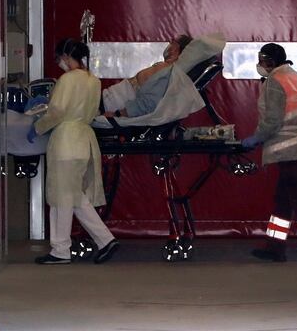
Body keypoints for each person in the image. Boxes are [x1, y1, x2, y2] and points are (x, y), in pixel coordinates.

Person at [28, 38, 119, 265]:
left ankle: (60, 250)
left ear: (67, 56)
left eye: (60, 58)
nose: (60, 63)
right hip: (85, 140)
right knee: (75, 196)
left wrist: (37, 127)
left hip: (66, 141)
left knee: (61, 196)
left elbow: (57, 110)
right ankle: (105, 240)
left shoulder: (67, 79)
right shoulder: (93, 81)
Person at [241, 43, 297, 264]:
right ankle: (274, 247)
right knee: (283, 200)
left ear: (269, 61)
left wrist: (256, 138)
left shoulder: (275, 82)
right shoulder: (294, 77)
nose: (259, 65)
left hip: (290, 149)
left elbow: (273, 121)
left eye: (261, 60)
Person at [103, 34, 192, 119]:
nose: (169, 43)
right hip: (109, 100)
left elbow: (150, 102)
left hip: (110, 105)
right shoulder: (167, 69)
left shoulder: (168, 72)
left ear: (176, 48)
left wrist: (118, 114)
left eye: (172, 42)